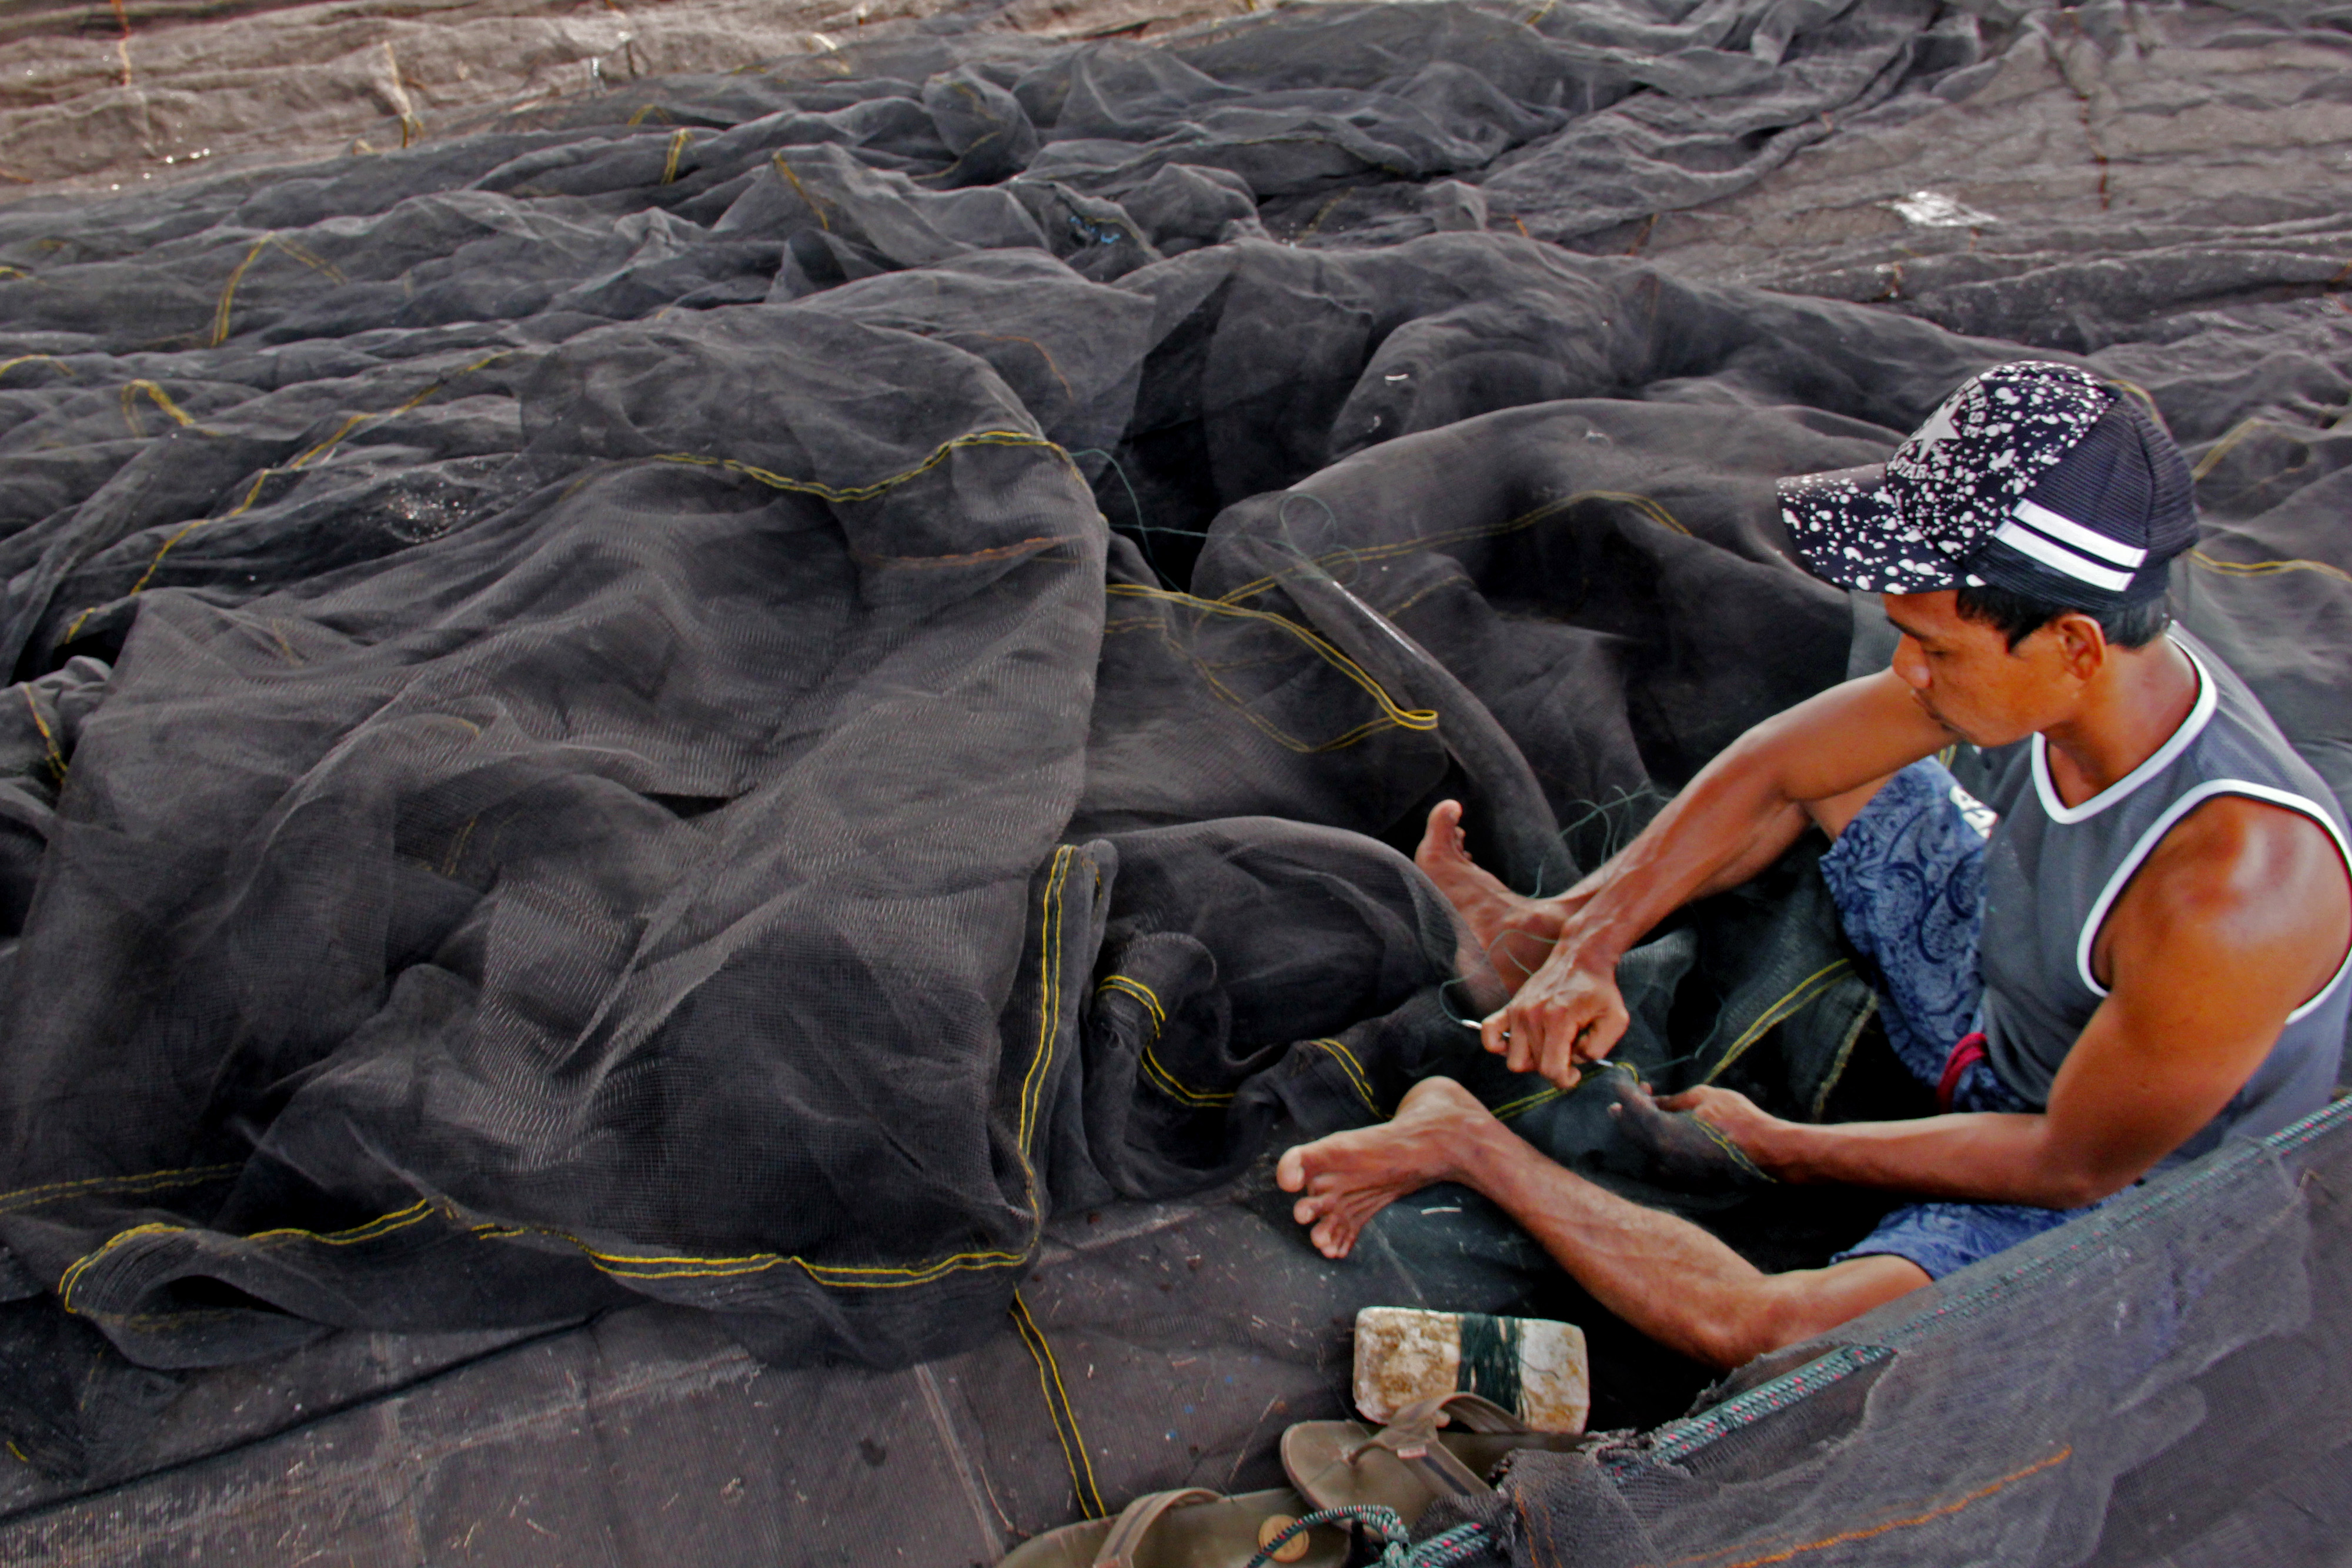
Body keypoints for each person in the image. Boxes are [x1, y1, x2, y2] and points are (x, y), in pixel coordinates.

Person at [1276, 361, 2352, 1370]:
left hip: (2122, 1189)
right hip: (2008, 1006)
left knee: (1778, 1334)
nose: (1905, 670)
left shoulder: (2233, 893)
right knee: (1823, 767)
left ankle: (1468, 1145)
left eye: (1936, 647)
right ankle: (1540, 934)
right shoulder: (2073, 679)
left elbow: (2074, 1165)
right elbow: (1780, 763)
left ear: (2070, 643)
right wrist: (1593, 943)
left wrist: (1785, 1148)